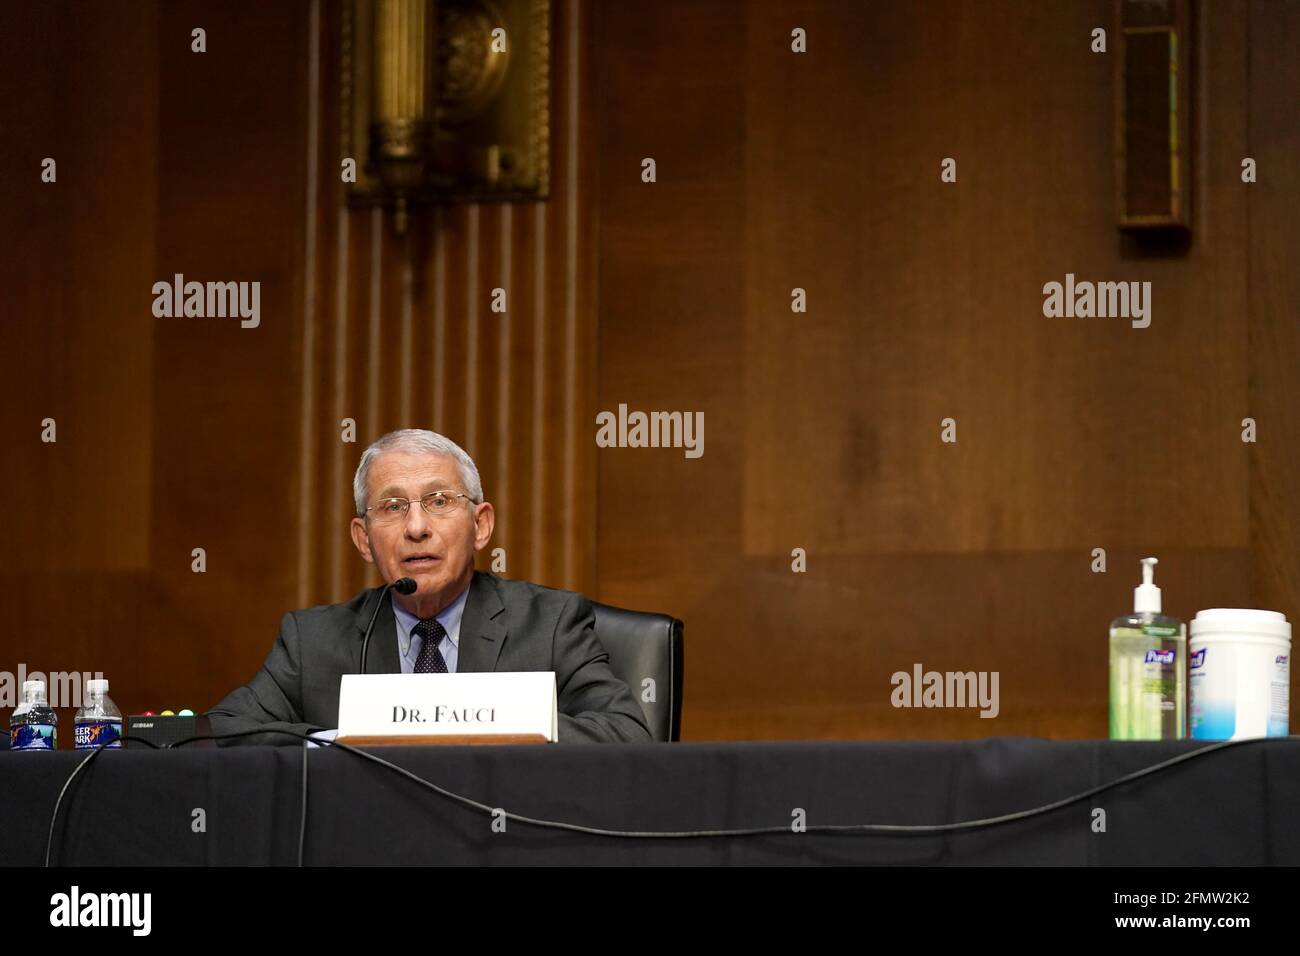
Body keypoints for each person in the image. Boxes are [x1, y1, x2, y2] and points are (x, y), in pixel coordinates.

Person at [207, 429, 652, 745]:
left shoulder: (550, 625)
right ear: (364, 539)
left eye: (439, 502)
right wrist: (343, 739)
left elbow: (627, 735)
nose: (416, 527)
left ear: (481, 526)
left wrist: (495, 725)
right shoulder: (313, 642)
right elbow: (224, 729)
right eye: (393, 506)